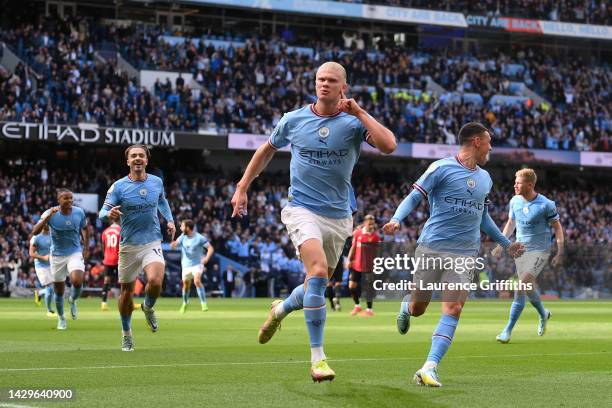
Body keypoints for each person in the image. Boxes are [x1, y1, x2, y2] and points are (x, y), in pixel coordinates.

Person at [231, 61, 396, 382]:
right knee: (318, 272)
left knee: (315, 284)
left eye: (332, 81)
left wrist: (361, 113)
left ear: (343, 87)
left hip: (339, 217)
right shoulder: (294, 120)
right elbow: (266, 149)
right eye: (320, 79)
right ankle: (318, 358)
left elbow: (389, 145)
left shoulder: (352, 124)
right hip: (300, 209)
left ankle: (279, 310)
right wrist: (242, 187)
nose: (324, 84)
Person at [383, 122, 524, 387]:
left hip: (465, 253)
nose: (491, 147)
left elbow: (483, 217)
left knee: (454, 307)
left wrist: (507, 243)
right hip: (432, 246)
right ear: (476, 141)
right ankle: (406, 304)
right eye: (489, 141)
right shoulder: (440, 168)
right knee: (418, 308)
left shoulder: (485, 178)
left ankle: (429, 366)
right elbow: (415, 197)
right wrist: (396, 219)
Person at [99, 144, 175, 352]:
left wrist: (169, 220)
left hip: (152, 242)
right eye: (134, 156)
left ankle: (148, 307)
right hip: (128, 246)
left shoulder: (156, 182)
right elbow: (101, 213)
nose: (138, 158)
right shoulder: (118, 187)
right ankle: (126, 334)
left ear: (147, 160)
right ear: (128, 161)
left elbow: (162, 201)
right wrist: (109, 215)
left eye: (141, 155)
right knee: (126, 294)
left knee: (155, 280)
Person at [493, 168, 564, 343]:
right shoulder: (514, 201)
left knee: (520, 287)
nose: (515, 185)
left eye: (518, 182)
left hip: (540, 251)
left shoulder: (546, 204)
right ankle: (543, 313)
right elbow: (511, 223)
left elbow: (558, 228)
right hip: (521, 252)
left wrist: (560, 252)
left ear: (530, 184)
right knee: (528, 287)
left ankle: (507, 331)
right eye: (515, 181)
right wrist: (501, 244)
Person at [32, 189, 89, 330]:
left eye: (71, 198)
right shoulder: (50, 213)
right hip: (57, 256)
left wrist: (86, 247)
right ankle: (61, 318)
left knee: (77, 281)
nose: (69, 201)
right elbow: (35, 231)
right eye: (65, 198)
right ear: (59, 200)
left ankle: (73, 300)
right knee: (58, 291)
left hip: (74, 252)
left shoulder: (79, 212)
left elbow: (85, 229)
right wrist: (47, 218)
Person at [171, 219, 215, 313]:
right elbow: (175, 245)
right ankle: (185, 303)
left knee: (197, 281)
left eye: (182, 226)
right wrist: (173, 244)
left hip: (197, 264)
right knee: (186, 286)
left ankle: (203, 303)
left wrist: (206, 258)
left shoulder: (199, 238)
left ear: (187, 228)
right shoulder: (182, 237)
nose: (180, 228)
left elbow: (210, 248)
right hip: (186, 265)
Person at [347, 215, 382, 316]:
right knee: (351, 286)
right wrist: (349, 260)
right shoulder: (358, 234)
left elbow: (378, 252)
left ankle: (369, 310)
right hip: (356, 265)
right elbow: (353, 247)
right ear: (365, 222)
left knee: (368, 288)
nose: (372, 225)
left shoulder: (375, 237)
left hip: (369, 266)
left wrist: (377, 264)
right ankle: (357, 306)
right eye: (370, 223)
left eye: (373, 223)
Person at [29, 224, 55, 317]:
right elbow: (31, 253)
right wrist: (43, 257)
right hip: (41, 266)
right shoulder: (36, 238)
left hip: (52, 265)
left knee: (55, 288)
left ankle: (39, 293)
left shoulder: (53, 235)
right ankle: (49, 310)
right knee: (50, 288)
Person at [100, 221, 121, 311]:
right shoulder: (121, 230)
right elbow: (122, 245)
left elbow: (103, 246)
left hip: (108, 258)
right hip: (119, 258)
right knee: (123, 280)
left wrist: (104, 256)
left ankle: (104, 303)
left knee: (106, 280)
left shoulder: (105, 231)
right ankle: (124, 302)